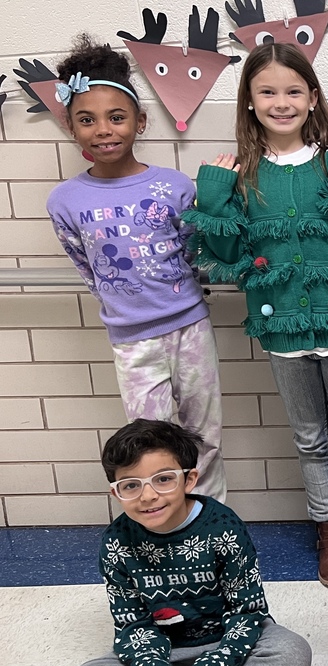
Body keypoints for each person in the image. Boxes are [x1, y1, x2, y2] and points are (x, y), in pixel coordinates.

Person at [183, 43, 328, 588]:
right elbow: (227, 258)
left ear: (313, 97)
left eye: (294, 91)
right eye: (268, 92)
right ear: (249, 101)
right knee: (308, 437)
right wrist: (212, 199)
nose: (282, 102)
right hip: (282, 328)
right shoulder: (244, 173)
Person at [62, 419, 312, 666]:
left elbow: (248, 611)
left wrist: (218, 665)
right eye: (131, 485)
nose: (148, 496)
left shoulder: (223, 527)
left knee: (294, 654)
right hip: (161, 653)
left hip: (226, 641)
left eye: (163, 479)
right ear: (116, 493)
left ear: (189, 479)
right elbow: (132, 624)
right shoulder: (116, 543)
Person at [46, 35, 225, 502]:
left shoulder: (174, 186)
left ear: (139, 121)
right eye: (87, 120)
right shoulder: (65, 200)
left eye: (116, 116)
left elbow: (192, 252)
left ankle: (212, 520)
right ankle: (165, 525)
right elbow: (86, 266)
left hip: (190, 328)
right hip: (131, 341)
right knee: (150, 445)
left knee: (205, 434)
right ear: (70, 126)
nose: (103, 130)